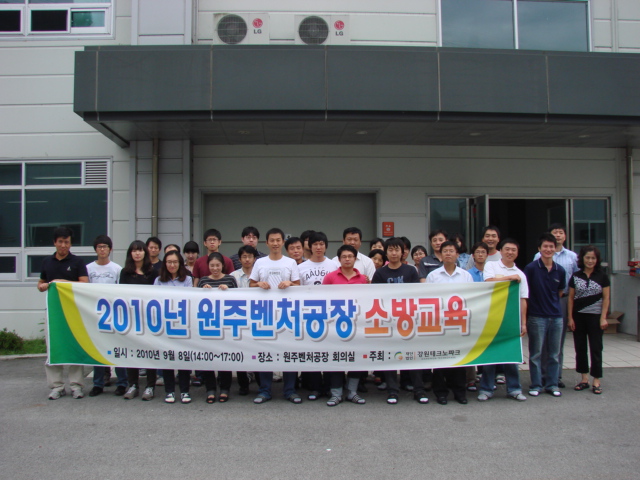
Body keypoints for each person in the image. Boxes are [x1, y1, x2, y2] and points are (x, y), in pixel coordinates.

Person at [250, 228, 301, 404]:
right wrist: (258, 284)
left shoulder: (290, 262)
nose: (275, 243)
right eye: (272, 240)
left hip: (287, 313)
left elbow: (298, 286)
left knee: (288, 351)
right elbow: (250, 284)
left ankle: (290, 390)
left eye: (278, 240)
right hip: (265, 314)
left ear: (282, 242)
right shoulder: (260, 262)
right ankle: (264, 390)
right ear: (267, 243)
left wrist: (290, 283)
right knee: (266, 352)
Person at [38, 227, 89, 400]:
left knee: (74, 346)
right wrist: (42, 286)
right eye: (60, 242)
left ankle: (76, 385)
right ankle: (57, 386)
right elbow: (41, 282)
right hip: (53, 312)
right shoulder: (47, 262)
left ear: (70, 244)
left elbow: (84, 283)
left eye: (66, 242)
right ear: (55, 242)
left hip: (73, 312)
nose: (63, 245)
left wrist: (62, 282)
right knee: (53, 348)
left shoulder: (77, 262)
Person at [372, 237, 424, 405]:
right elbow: (375, 298)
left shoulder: (410, 271)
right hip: (388, 321)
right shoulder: (380, 273)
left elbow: (416, 294)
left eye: (397, 250)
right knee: (390, 357)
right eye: (390, 250)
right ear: (386, 253)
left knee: (413, 356)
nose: (394, 253)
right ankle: (392, 391)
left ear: (402, 252)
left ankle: (418, 390)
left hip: (408, 320)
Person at [478, 238, 529, 402]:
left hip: (511, 320)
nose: (510, 252)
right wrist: (510, 279)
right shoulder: (491, 266)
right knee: (490, 355)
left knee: (511, 356)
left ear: (517, 253)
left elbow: (523, 299)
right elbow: (488, 282)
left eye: (513, 250)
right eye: (507, 249)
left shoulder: (520, 274)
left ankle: (514, 389)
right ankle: (486, 389)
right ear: (501, 251)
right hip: (491, 318)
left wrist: (523, 323)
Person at [426, 240, 474, 405]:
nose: (448, 253)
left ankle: (459, 392)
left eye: (451, 251)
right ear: (441, 254)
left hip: (459, 323)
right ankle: (441, 392)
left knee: (458, 358)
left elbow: (471, 298)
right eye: (445, 251)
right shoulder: (433, 276)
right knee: (440, 359)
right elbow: (428, 299)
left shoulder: (465, 276)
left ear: (457, 254)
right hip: (440, 323)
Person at [533, 223, 579, 389]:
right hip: (541, 302)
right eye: (555, 232)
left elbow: (574, 280)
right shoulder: (536, 258)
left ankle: (556, 377)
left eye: (561, 233)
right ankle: (541, 377)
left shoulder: (572, 257)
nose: (558, 235)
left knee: (557, 342)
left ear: (565, 236)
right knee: (541, 344)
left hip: (562, 300)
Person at [322, 244, 368, 406]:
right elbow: (323, 300)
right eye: (344, 257)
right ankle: (336, 394)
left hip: (357, 325)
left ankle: (352, 392)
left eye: (350, 256)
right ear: (339, 259)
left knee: (355, 358)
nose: (347, 259)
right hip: (335, 325)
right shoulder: (330, 277)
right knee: (337, 358)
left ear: (355, 259)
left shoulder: (362, 279)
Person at [524, 233, 566, 397]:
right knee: (536, 353)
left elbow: (560, 292)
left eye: (551, 246)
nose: (548, 249)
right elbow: (526, 293)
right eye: (545, 246)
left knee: (554, 354)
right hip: (537, 316)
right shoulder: (531, 268)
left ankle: (552, 384)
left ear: (555, 249)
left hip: (556, 317)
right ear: (539, 249)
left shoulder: (560, 270)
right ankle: (536, 384)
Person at [298, 232, 338, 400]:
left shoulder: (334, 265)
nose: (318, 247)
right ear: (310, 246)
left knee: (328, 351)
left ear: (326, 246)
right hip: (309, 314)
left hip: (330, 314)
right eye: (315, 244)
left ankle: (328, 386)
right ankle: (314, 387)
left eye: (322, 244)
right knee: (313, 351)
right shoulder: (301, 267)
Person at [86, 235, 127, 397]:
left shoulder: (117, 269)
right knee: (98, 349)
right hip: (94, 315)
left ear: (110, 249)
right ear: (95, 249)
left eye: (105, 246)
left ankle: (122, 382)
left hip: (114, 315)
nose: (102, 249)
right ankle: (98, 383)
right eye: (99, 247)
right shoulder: (88, 268)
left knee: (117, 349)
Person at [119, 240, 159, 400]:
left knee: (149, 351)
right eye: (134, 250)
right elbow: (121, 293)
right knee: (132, 350)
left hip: (148, 317)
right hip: (131, 317)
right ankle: (133, 384)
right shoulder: (125, 272)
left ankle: (150, 386)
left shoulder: (152, 272)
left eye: (140, 250)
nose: (137, 253)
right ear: (130, 253)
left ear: (145, 253)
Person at [568, 246, 610, 394]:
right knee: (580, 348)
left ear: (597, 260)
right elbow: (571, 298)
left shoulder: (602, 276)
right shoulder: (575, 276)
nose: (590, 261)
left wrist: (603, 317)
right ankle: (584, 379)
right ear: (582, 259)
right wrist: (570, 318)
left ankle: (596, 380)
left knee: (596, 348)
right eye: (587, 257)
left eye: (593, 258)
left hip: (595, 317)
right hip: (578, 317)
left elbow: (606, 298)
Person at [198, 252, 238, 403]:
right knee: (208, 357)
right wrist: (204, 291)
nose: (215, 268)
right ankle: (210, 389)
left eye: (218, 265)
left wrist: (228, 291)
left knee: (224, 357)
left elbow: (238, 299)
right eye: (212, 265)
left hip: (225, 325)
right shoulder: (203, 280)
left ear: (223, 265)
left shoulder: (230, 279)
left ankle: (225, 389)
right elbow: (196, 301)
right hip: (208, 325)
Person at [154, 250, 193, 404]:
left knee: (183, 358)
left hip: (182, 324)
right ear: (165, 264)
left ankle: (184, 391)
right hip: (165, 324)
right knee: (167, 358)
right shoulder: (158, 280)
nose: (172, 265)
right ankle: (169, 391)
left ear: (180, 263)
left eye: (175, 262)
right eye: (169, 262)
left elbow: (190, 299)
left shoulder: (188, 280)